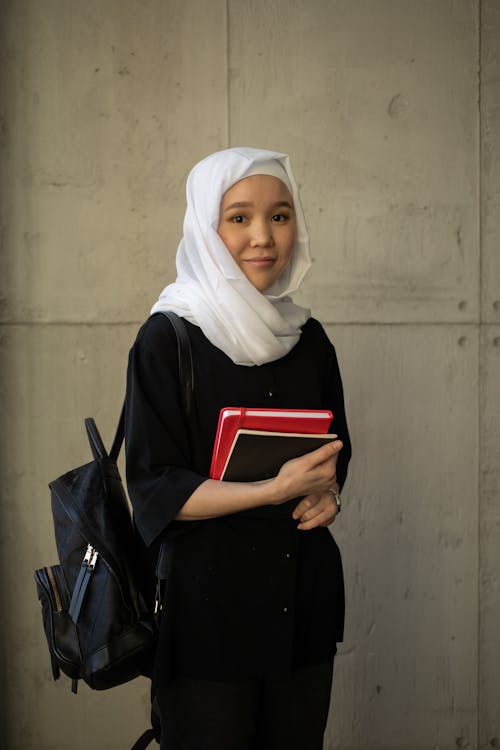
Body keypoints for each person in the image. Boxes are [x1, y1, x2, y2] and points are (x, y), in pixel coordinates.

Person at [125, 146, 351, 750]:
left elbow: (335, 455)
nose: (263, 237)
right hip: (207, 621)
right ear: (205, 226)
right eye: (239, 218)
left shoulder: (309, 339)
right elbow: (153, 488)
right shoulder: (167, 337)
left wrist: (328, 497)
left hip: (301, 608)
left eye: (280, 216)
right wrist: (271, 491)